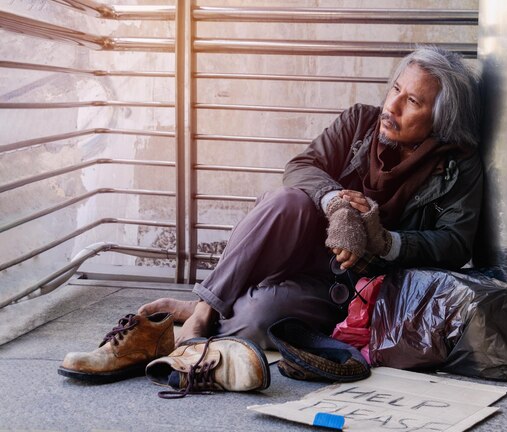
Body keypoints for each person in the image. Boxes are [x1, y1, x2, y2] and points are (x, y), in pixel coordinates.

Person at [139, 45, 483, 349]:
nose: (391, 106)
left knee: (256, 322)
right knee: (286, 201)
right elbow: (302, 166)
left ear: (440, 119)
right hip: (300, 247)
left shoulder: (458, 166)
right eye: (395, 88)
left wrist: (386, 242)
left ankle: (218, 308)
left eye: (412, 101)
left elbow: (454, 244)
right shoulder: (360, 122)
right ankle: (202, 310)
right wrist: (335, 202)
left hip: (349, 288)